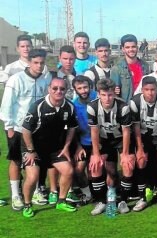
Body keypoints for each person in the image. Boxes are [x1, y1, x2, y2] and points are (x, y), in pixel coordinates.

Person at [20, 77, 78, 217]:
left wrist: (66, 146)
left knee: (68, 171)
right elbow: (25, 130)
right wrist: (31, 151)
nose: (59, 91)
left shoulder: (69, 106)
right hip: (33, 149)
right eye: (55, 88)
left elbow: (72, 128)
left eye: (62, 89)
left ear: (66, 90)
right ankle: (27, 205)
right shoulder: (38, 106)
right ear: (49, 89)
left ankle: (61, 201)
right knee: (33, 177)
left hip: (54, 149)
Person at [0, 49, 51, 210]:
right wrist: (9, 127)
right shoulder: (16, 80)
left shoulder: (44, 80)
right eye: (35, 62)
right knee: (16, 160)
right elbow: (7, 104)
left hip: (37, 130)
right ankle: (16, 195)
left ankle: (36, 191)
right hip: (17, 128)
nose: (39, 66)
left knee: (37, 158)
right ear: (28, 62)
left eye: (42, 63)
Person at [87, 79, 134, 215]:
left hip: (120, 139)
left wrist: (125, 154)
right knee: (95, 167)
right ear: (98, 94)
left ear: (114, 93)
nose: (107, 98)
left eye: (110, 95)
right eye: (103, 95)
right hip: (104, 140)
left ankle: (123, 201)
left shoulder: (123, 107)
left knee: (128, 165)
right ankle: (102, 201)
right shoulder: (92, 107)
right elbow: (94, 131)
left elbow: (126, 131)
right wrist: (95, 155)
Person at [130, 76, 157, 211]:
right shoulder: (135, 102)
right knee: (141, 159)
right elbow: (135, 127)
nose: (150, 93)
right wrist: (139, 148)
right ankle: (143, 196)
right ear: (142, 90)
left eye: (153, 90)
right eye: (147, 90)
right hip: (142, 136)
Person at [71, 76, 98, 211]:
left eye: (85, 87)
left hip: (99, 142)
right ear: (75, 89)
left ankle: (101, 193)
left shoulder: (98, 99)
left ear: (90, 86)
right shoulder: (74, 105)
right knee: (79, 169)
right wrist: (78, 147)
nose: (83, 90)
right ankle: (87, 195)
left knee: (95, 170)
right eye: (80, 88)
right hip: (83, 143)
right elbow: (73, 129)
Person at [110, 34, 151, 102]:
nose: (131, 49)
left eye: (133, 47)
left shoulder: (146, 66)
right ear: (123, 49)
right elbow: (114, 94)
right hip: (126, 107)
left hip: (144, 105)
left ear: (137, 47)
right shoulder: (117, 69)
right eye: (127, 47)